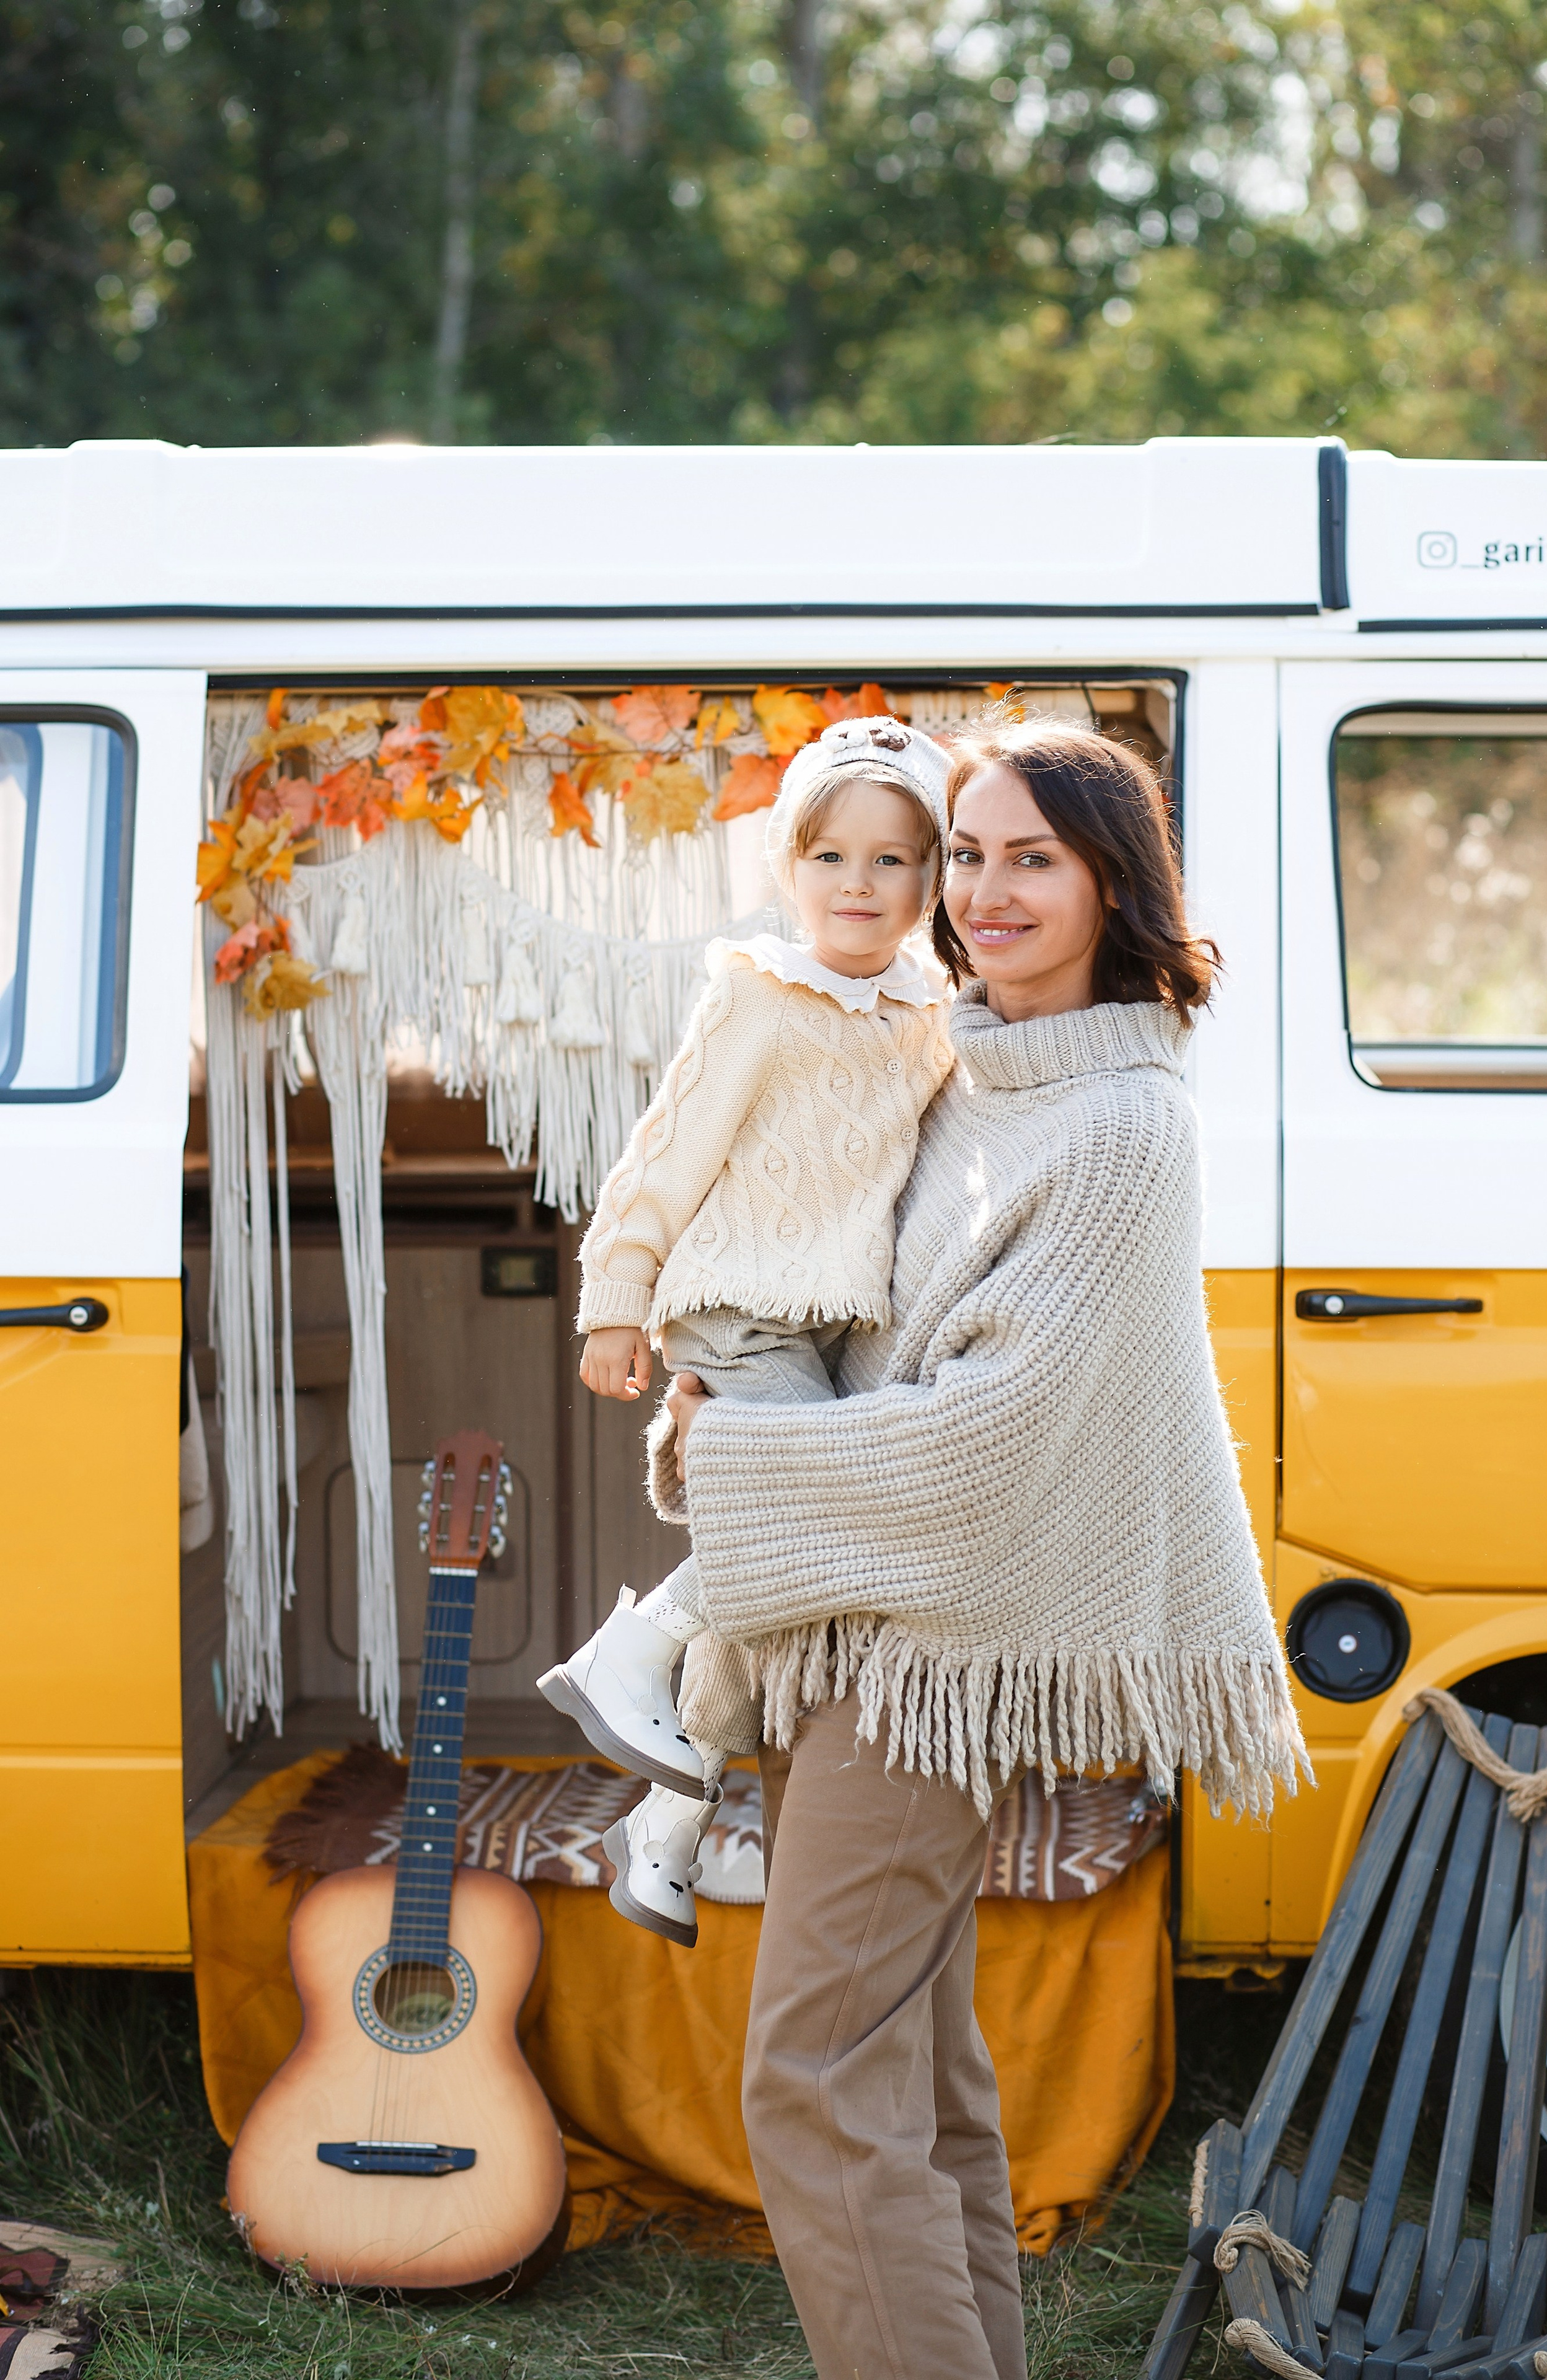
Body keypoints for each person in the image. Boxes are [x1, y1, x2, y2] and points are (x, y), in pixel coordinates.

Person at [659, 720, 1310, 2380]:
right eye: (968, 852)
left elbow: (987, 1445)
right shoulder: (967, 1068)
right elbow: (851, 1285)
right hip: (857, 1622)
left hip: (934, 1649)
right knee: (912, 2085)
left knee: (809, 2077)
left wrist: (742, 1459)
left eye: (1034, 856)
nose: (986, 888)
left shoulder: (1118, 1127)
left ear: (1115, 881)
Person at [538, 714, 956, 1945]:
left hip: (828, 1330)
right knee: (819, 1517)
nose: (859, 886)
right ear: (789, 865)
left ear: (930, 880)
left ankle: (665, 1826)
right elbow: (666, 1154)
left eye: (893, 861)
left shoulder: (924, 1015)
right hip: (733, 1308)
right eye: (830, 857)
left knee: (776, 1585)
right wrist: (615, 1299)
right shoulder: (759, 997)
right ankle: (633, 1647)